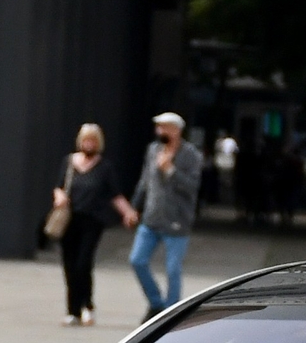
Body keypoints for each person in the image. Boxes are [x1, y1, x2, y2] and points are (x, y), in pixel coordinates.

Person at [51, 123, 130, 325]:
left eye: (93, 140)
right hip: (70, 220)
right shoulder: (69, 162)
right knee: (69, 265)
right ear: (80, 141)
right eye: (86, 140)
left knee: (83, 264)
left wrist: (128, 212)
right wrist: (59, 197)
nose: (89, 144)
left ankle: (88, 305)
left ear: (99, 143)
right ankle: (72, 311)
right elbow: (59, 187)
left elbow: (115, 194)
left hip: (92, 221)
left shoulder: (104, 167)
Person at [130, 112, 206, 318]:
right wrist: (134, 207)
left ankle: (171, 311)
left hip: (177, 221)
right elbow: (145, 181)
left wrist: (171, 170)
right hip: (152, 217)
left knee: (173, 270)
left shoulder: (191, 154)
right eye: (158, 128)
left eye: (164, 128)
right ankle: (156, 302)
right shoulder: (153, 149)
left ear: (176, 130)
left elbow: (192, 187)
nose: (160, 132)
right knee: (137, 260)